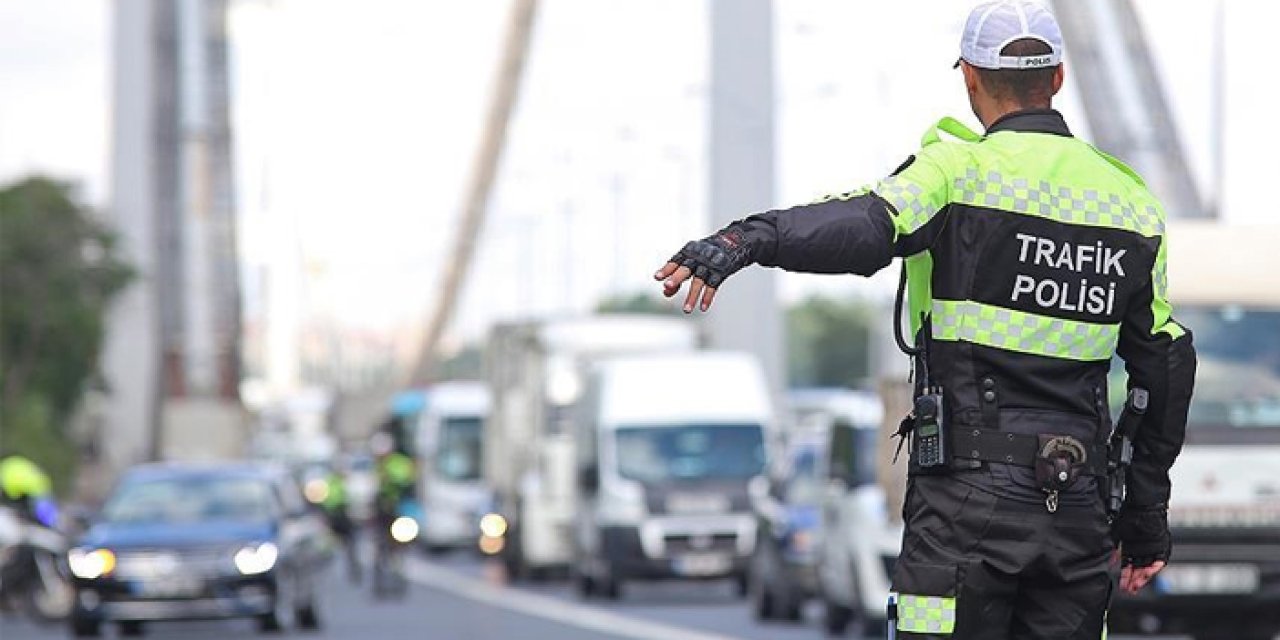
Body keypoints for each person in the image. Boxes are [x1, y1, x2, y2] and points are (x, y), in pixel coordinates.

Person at [653, 2, 1196, 637]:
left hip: (966, 508)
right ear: (1057, 78)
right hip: (1075, 505)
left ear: (969, 77)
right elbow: (1166, 366)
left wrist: (745, 240)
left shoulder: (954, 173)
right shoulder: (1131, 204)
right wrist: (1145, 517)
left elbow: (861, 225)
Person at [0, 455, 57, 528]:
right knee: (47, 517)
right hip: (41, 486)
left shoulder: (4, 468)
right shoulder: (15, 462)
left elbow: (10, 489)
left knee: (38, 514)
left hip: (28, 490)